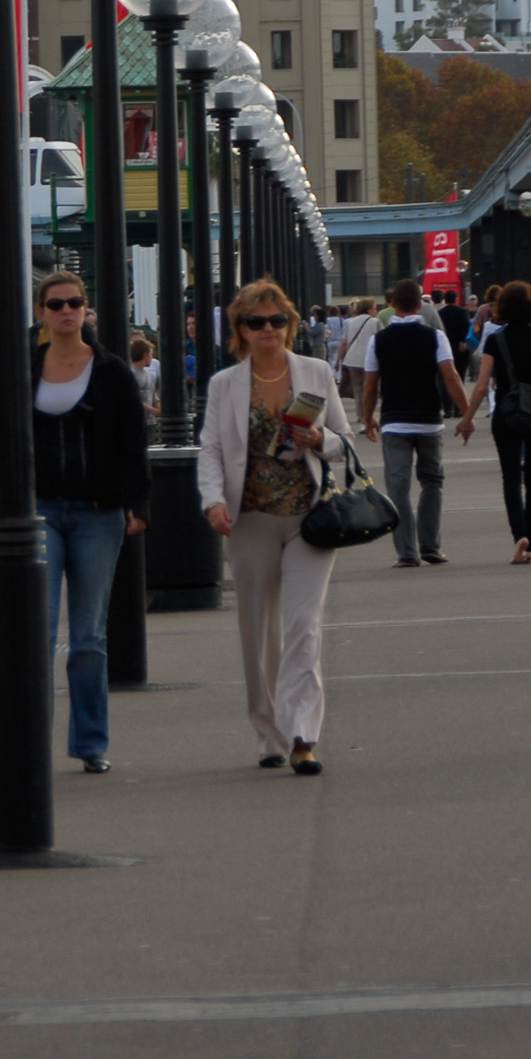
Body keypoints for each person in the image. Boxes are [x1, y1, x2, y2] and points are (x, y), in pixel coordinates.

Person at [198, 277, 350, 774]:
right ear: (240, 330)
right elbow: (212, 451)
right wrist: (213, 501)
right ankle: (269, 732)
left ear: (291, 324)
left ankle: (303, 734)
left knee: (303, 627)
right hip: (250, 520)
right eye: (256, 321)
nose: (269, 329)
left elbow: (343, 443)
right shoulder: (225, 384)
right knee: (258, 632)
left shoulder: (316, 371)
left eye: (277, 320)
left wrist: (318, 438)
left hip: (310, 518)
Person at [31, 270, 150, 774]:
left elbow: (132, 442)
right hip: (38, 510)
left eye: (74, 303)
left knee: (87, 638)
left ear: (86, 310)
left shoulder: (112, 371)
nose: (65, 311)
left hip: (98, 512)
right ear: (41, 312)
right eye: (55, 304)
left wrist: (138, 504)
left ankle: (90, 743)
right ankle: (30, 741)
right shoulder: (24, 367)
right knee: (36, 628)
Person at [458, 279, 531, 561]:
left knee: (510, 478)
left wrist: (467, 419)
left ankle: (519, 536)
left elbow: (481, 384)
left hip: (507, 414)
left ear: (503, 308)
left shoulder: (495, 340)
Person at [360, 275, 469, 567]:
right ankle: (430, 546)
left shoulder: (378, 341)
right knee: (432, 481)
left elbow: (370, 385)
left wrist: (367, 417)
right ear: (419, 305)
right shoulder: (435, 336)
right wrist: (466, 414)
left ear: (393, 304)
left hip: (394, 421)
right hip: (429, 420)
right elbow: (451, 377)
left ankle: (406, 552)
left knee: (398, 487)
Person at [129, 335, 160, 424]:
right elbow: (133, 398)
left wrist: (158, 407)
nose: (151, 357)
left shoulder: (148, 374)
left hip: (150, 421)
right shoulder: (131, 373)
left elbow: (153, 395)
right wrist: (152, 409)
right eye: (151, 354)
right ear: (145, 355)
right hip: (136, 421)